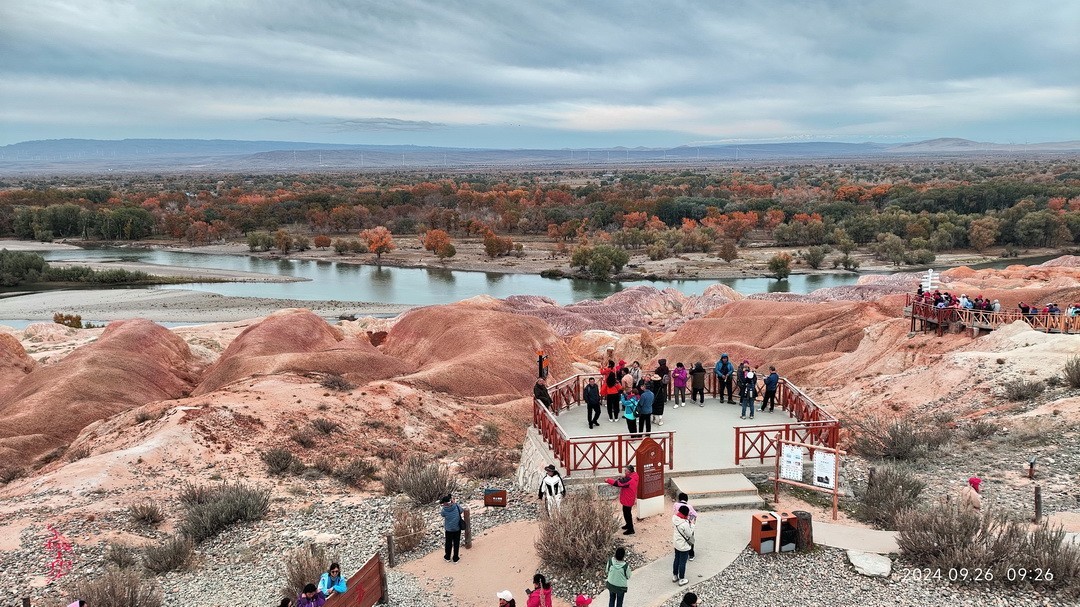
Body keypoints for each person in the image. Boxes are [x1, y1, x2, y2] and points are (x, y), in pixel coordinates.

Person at [606, 465, 639, 535]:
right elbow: (625, 480)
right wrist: (624, 477)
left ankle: (631, 529)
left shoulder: (630, 479)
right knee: (626, 512)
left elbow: (619, 483)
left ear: (629, 471)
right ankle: (628, 525)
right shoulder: (634, 476)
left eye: (625, 471)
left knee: (627, 514)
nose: (624, 472)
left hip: (628, 498)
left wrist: (608, 480)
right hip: (629, 497)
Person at [439, 494, 466, 562]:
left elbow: (442, 515)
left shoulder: (444, 510)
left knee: (448, 543)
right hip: (457, 528)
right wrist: (454, 503)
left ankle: (447, 557)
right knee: (456, 543)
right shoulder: (456, 506)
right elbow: (461, 510)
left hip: (449, 529)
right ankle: (455, 558)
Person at [672, 505, 695, 586]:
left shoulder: (674, 518)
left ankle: (675, 576)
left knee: (676, 559)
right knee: (682, 562)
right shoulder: (684, 524)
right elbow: (689, 534)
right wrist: (692, 525)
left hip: (676, 543)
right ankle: (682, 579)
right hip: (683, 546)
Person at [673, 492, 698, 560]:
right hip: (687, 524)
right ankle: (691, 554)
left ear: (679, 498)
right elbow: (695, 514)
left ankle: (678, 553)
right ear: (686, 499)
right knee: (690, 538)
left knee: (679, 537)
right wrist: (691, 522)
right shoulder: (689, 506)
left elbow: (674, 512)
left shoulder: (675, 504)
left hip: (678, 524)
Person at [653, 359, 671, 424]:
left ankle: (654, 418)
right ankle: (665, 400)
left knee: (658, 391)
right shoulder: (666, 368)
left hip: (659, 382)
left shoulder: (659, 368)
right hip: (664, 381)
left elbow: (656, 372)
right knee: (664, 390)